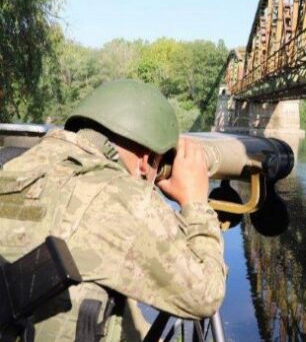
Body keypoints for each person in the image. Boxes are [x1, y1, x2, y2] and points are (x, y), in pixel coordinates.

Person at [0, 79, 226, 341]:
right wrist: (196, 203)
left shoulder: (16, 165)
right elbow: (205, 296)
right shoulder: (123, 198)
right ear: (145, 160)